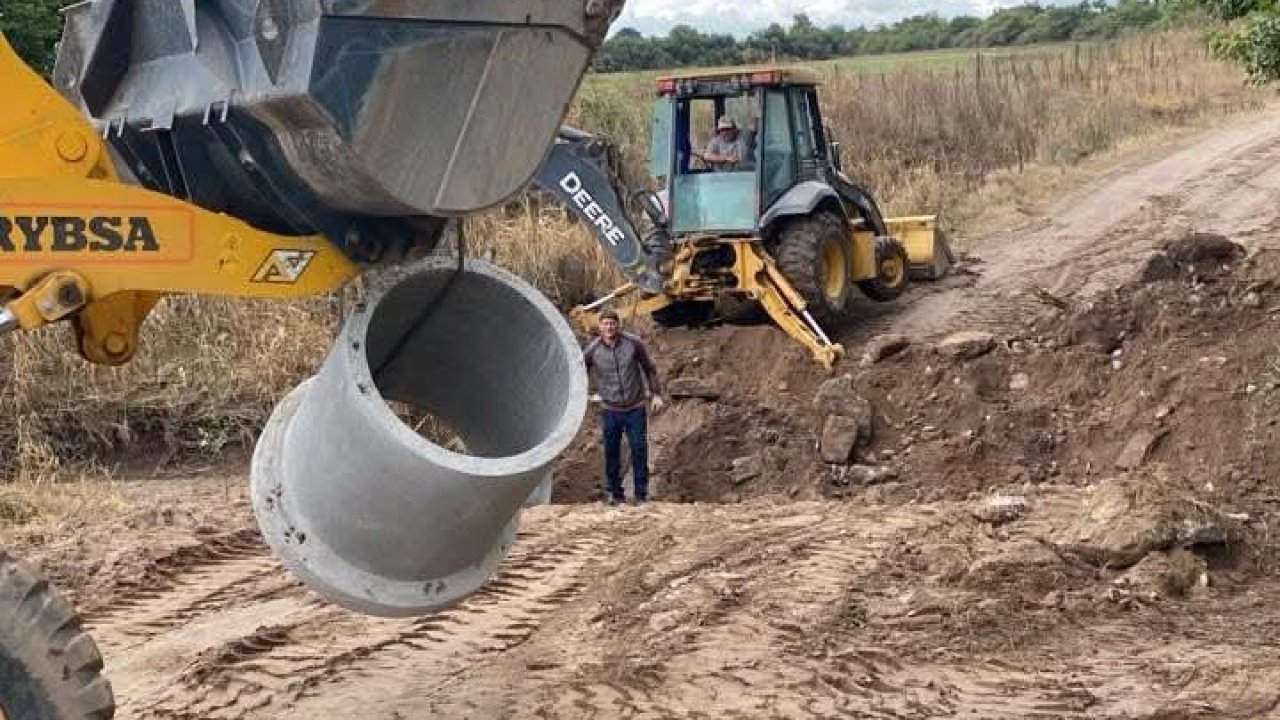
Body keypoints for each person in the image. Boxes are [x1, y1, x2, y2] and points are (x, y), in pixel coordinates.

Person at [583, 309, 664, 506]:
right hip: (610, 409)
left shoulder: (633, 344)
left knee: (638, 449)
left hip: (635, 407)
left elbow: (649, 368)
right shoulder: (593, 350)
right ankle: (615, 494)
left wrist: (656, 394)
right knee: (611, 452)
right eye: (605, 324)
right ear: (599, 327)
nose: (609, 327)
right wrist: (584, 394)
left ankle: (641, 495)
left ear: (618, 325)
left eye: (613, 323)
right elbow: (579, 371)